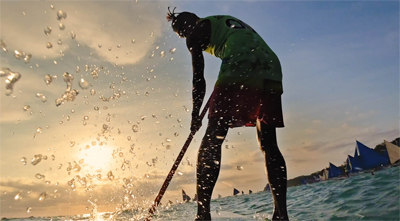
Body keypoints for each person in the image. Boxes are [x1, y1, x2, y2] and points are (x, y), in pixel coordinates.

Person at [167, 7, 289, 221]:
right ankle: (281, 215)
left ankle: (202, 215)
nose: (185, 39)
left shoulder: (194, 32)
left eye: (181, 34)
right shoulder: (219, 21)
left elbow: (198, 80)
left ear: (186, 25)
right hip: (271, 64)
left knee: (212, 138)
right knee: (269, 143)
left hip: (240, 62)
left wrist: (195, 115)